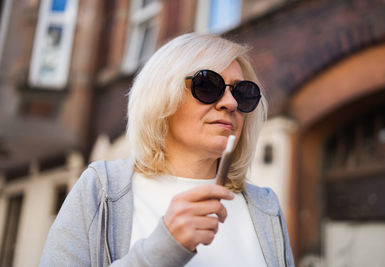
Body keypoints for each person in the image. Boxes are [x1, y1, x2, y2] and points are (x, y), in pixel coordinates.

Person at [39, 33, 294, 267]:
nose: (230, 103)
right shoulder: (103, 189)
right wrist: (164, 248)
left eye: (242, 92)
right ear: (163, 97)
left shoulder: (265, 207)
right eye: (207, 86)